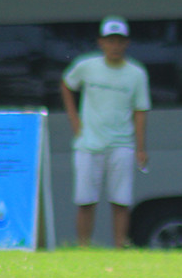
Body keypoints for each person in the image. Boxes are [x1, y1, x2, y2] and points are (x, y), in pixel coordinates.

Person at [61, 16, 150, 248]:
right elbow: (66, 84)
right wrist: (75, 120)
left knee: (121, 202)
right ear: (101, 42)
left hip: (122, 144)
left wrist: (141, 147)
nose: (115, 46)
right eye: (110, 41)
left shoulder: (136, 73)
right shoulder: (86, 66)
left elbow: (140, 110)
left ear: (127, 43)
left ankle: (119, 248)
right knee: (85, 201)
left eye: (119, 41)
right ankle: (83, 248)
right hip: (88, 144)